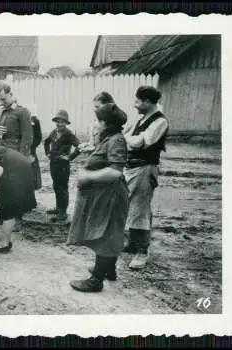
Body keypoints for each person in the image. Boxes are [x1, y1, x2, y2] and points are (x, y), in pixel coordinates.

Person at [67, 103, 129, 293]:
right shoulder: (110, 138)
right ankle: (108, 269)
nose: (95, 123)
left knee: (104, 233)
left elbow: (115, 171)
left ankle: (96, 280)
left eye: (97, 120)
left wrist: (88, 176)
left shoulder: (116, 140)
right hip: (105, 195)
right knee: (106, 231)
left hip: (111, 196)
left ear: (105, 122)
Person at [123, 86, 169, 270]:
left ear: (148, 102)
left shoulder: (160, 122)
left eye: (138, 102)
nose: (136, 105)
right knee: (131, 207)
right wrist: (127, 138)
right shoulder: (142, 119)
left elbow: (140, 142)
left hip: (145, 168)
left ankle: (142, 252)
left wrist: (125, 139)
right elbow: (129, 135)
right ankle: (133, 244)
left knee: (140, 209)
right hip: (133, 167)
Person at [0, 81, 34, 228]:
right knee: (2, 186)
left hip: (15, 156)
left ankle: (17, 219)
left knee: (16, 188)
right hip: (0, 156)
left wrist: (21, 159)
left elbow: (27, 138)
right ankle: (4, 215)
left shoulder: (22, 112)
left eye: (3, 99)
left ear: (10, 94)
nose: (1, 102)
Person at [44, 110, 81, 222]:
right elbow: (46, 142)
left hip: (63, 165)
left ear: (66, 123)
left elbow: (79, 146)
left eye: (62, 122)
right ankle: (58, 208)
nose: (59, 124)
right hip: (53, 163)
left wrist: (69, 157)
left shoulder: (69, 134)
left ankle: (63, 213)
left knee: (62, 187)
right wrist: (47, 153)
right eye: (57, 121)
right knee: (56, 185)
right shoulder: (54, 132)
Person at [29, 103, 43, 191]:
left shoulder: (36, 121)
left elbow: (38, 137)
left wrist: (32, 147)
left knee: (33, 172)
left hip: (31, 150)